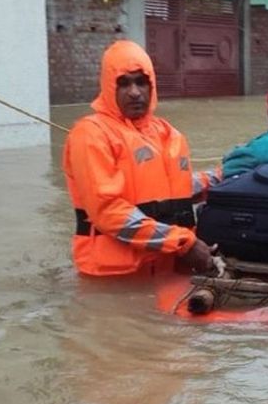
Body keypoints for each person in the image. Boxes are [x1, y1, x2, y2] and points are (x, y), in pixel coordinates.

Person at [62, 40, 220, 277]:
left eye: (141, 82)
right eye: (123, 83)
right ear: (108, 87)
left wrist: (222, 176)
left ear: (152, 86)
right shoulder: (91, 135)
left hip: (166, 271)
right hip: (114, 280)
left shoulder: (168, 134)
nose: (134, 92)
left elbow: (174, 193)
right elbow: (108, 211)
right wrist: (182, 243)